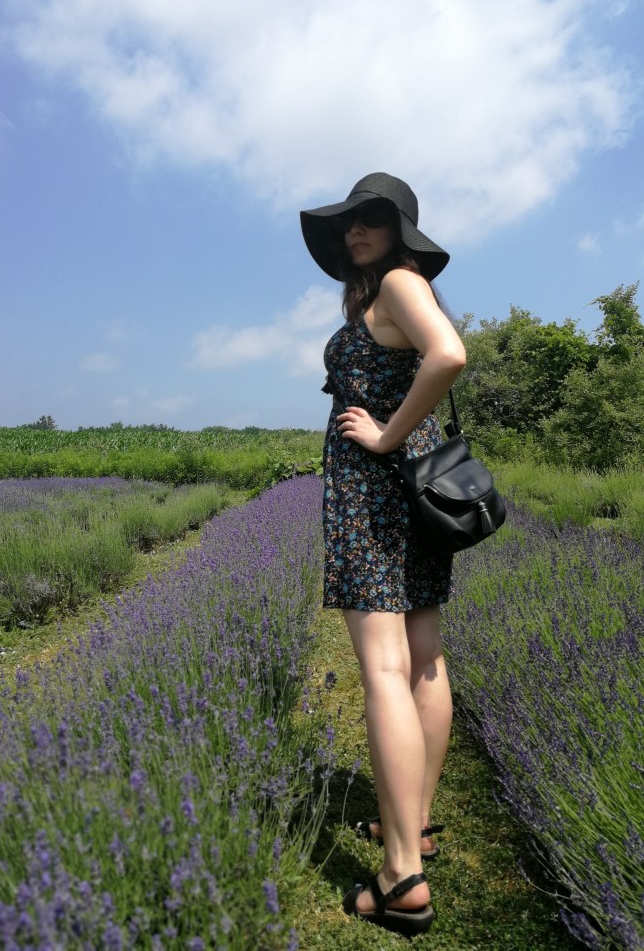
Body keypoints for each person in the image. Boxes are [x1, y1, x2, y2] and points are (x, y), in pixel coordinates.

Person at [300, 172, 466, 937]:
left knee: (387, 670)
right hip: (413, 497)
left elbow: (449, 356)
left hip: (376, 496)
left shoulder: (400, 282)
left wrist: (383, 435)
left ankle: (401, 875)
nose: (354, 231)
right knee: (423, 660)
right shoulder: (390, 294)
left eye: (371, 218)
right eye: (349, 222)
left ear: (401, 231)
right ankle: (415, 826)